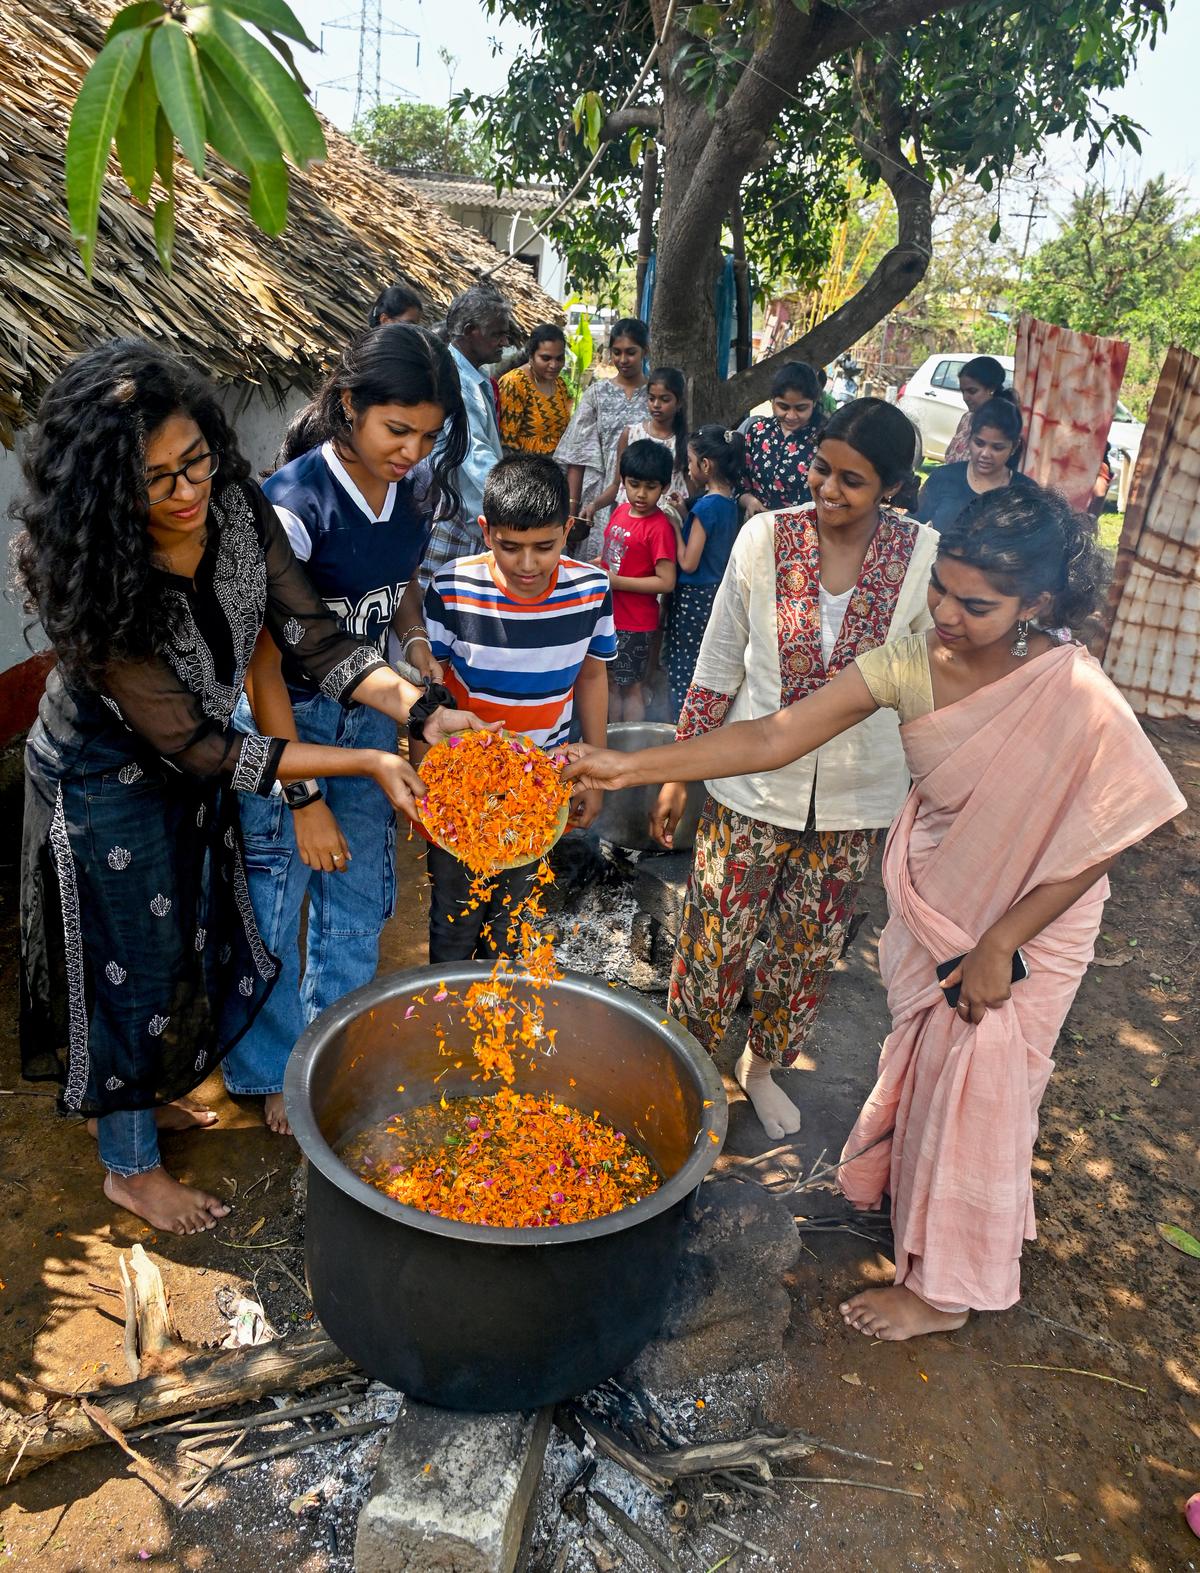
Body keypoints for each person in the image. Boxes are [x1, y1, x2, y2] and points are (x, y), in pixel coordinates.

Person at [563, 486, 1183, 1339]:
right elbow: (775, 735)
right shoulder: (910, 658)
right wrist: (624, 768)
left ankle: (944, 1291)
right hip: (944, 898)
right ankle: (918, 1203)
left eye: (978, 605)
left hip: (1034, 921)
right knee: (933, 1068)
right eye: (942, 592)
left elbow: (1114, 824)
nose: (949, 616)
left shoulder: (1072, 686)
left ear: (1036, 604)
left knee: (985, 1089)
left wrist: (1003, 941)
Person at [16, 341, 483, 1234]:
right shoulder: (105, 590)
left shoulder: (239, 511)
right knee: (131, 969)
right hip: (105, 781)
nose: (187, 492)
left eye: (195, 461)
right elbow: (207, 747)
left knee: (186, 935)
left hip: (194, 767)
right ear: (108, 495)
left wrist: (423, 713)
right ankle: (129, 1167)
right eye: (156, 481)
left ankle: (143, 1100)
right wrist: (364, 764)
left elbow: (313, 641)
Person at [640, 400, 938, 1138]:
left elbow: (932, 686)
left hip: (857, 797)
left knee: (807, 949)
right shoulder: (764, 537)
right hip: (748, 785)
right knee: (716, 936)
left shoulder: (926, 557)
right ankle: (693, 1071)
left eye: (853, 481)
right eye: (820, 469)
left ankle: (762, 1067)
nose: (828, 490)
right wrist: (680, 770)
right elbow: (716, 665)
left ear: (893, 488)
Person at [223, 323, 469, 1135]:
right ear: (349, 407)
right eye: (397, 430)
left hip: (370, 706)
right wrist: (303, 800)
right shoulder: (293, 504)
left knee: (359, 894)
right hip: (284, 721)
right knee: (273, 893)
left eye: (428, 435)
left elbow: (397, 586)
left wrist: (417, 645)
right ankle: (266, 1071)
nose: (411, 450)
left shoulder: (418, 489)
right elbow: (262, 666)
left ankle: (334, 1048)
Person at [422, 454, 615, 962]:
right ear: (486, 531)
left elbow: (593, 676)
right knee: (455, 919)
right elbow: (432, 688)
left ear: (568, 530)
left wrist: (594, 760)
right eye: (510, 547)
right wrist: (429, 772)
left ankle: (495, 1027)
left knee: (513, 919)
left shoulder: (592, 591)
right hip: (463, 789)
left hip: (541, 786)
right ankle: (447, 1027)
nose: (527, 564)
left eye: (544, 547)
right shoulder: (452, 587)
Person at [419, 285, 513, 585]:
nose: (504, 341)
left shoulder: (474, 376)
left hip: (463, 514)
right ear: (471, 331)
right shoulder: (456, 380)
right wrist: (515, 497)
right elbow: (476, 455)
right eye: (497, 333)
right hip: (454, 518)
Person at [596, 439, 678, 722]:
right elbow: (614, 557)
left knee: (630, 688)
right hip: (610, 616)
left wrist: (617, 582)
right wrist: (597, 566)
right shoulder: (619, 512)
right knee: (608, 685)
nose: (641, 494)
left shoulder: (659, 528)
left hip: (635, 623)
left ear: (664, 487)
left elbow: (666, 582)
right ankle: (609, 742)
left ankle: (628, 749)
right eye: (634, 484)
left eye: (651, 487)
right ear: (623, 481)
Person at [555, 318, 650, 559]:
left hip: (646, 491)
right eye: (616, 352)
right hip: (601, 497)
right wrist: (573, 508)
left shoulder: (657, 396)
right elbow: (577, 456)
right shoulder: (597, 394)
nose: (622, 360)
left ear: (645, 351)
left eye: (631, 352)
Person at [665, 425, 743, 716]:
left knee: (684, 665)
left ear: (706, 465)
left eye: (690, 461)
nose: (688, 467)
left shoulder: (706, 508)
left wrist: (674, 524)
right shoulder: (728, 503)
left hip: (693, 598)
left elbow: (688, 562)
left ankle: (678, 723)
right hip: (714, 594)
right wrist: (685, 515)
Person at [582, 366, 690, 526]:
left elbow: (688, 494)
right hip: (629, 522)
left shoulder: (684, 444)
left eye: (665, 399)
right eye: (651, 398)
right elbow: (617, 484)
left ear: (679, 402)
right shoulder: (631, 434)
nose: (656, 405)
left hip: (663, 526)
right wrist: (594, 505)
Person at [917, 398, 1039, 534]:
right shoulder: (944, 477)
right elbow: (914, 527)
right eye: (979, 443)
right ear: (969, 439)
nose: (985, 454)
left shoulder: (1026, 493)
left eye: (997, 448)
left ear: (1014, 447)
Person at [740, 362, 824, 517]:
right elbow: (740, 483)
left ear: (814, 403)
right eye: (783, 407)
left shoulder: (824, 440)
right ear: (772, 401)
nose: (791, 416)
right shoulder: (758, 432)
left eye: (801, 408)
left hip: (803, 533)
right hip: (757, 529)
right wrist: (749, 501)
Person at [497, 324, 574, 456]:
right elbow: (507, 444)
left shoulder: (560, 384)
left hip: (558, 467)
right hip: (528, 469)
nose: (554, 365)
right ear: (531, 355)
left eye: (559, 358)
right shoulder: (515, 382)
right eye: (546, 358)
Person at [942, 354, 1010, 463]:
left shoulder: (1002, 423)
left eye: (972, 391)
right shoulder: (967, 419)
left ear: (991, 389)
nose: (965, 398)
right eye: (963, 391)